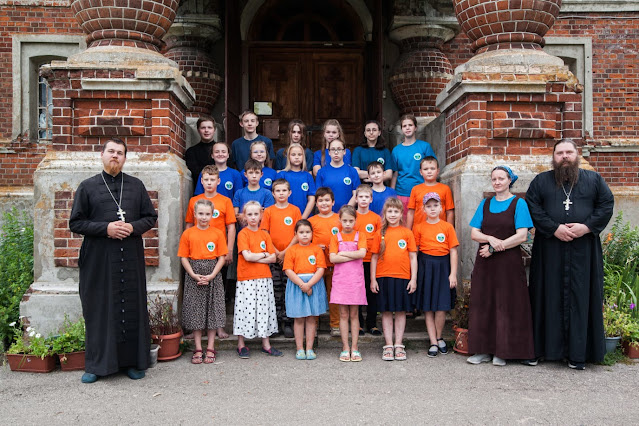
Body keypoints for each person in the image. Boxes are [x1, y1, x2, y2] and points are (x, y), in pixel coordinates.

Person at [69, 138, 157, 383]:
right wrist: (105, 229)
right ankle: (96, 366)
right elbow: (75, 223)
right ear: (102, 155)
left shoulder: (136, 186)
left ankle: (132, 362)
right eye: (111, 151)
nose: (115, 156)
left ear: (125, 158)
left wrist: (132, 227)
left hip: (130, 257)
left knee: (131, 307)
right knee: (99, 308)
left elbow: (150, 217)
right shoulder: (87, 186)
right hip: (99, 260)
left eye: (120, 152)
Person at [526, 139, 614, 370]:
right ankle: (543, 350)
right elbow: (532, 206)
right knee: (546, 295)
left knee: (582, 297)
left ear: (577, 154)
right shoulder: (541, 181)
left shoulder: (594, 180)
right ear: (553, 156)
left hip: (584, 250)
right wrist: (554, 228)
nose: (564, 156)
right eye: (560, 153)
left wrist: (587, 227)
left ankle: (579, 354)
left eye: (568, 152)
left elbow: (606, 204)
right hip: (549, 250)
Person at [467, 166, 535, 366]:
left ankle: (502, 352)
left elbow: (522, 236)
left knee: (506, 304)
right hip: (485, 263)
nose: (497, 182)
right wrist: (489, 239)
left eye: (501, 178)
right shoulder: (486, 203)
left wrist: (495, 247)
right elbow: (474, 233)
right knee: (483, 303)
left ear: (509, 180)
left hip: (508, 264)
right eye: (494, 179)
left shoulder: (519, 203)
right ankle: (483, 350)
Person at [185, 165, 237, 339]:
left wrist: (229, 250)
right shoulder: (194, 201)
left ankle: (219, 327)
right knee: (196, 293)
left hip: (218, 253)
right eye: (206, 179)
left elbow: (231, 227)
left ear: (218, 181)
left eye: (212, 179)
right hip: (197, 253)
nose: (209, 183)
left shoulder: (225, 201)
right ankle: (197, 328)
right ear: (201, 181)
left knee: (217, 293)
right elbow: (189, 224)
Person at [178, 199, 228, 364]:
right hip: (194, 275)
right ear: (195, 214)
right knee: (196, 312)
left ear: (212, 214)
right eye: (200, 213)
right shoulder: (188, 234)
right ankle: (198, 348)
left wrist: (213, 275)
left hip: (213, 275)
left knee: (212, 311)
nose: (204, 217)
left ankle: (211, 347)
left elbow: (221, 257)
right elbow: (184, 257)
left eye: (207, 214)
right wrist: (193, 274)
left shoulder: (217, 233)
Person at [370, 198, 417, 361]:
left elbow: (413, 257)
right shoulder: (379, 234)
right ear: (385, 213)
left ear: (401, 213)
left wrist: (413, 279)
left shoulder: (407, 233)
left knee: (401, 311)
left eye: (396, 211)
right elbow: (374, 258)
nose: (392, 214)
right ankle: (388, 345)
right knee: (386, 311)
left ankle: (399, 344)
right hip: (383, 277)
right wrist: (373, 279)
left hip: (403, 277)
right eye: (389, 211)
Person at [234, 201, 283, 358]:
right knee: (244, 309)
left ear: (261, 215)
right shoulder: (243, 234)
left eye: (256, 214)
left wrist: (257, 256)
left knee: (264, 310)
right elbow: (247, 256)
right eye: (249, 214)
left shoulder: (264, 234)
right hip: (246, 278)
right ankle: (241, 344)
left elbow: (273, 258)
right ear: (244, 216)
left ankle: (266, 344)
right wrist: (263, 254)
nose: (253, 217)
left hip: (263, 278)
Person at [413, 193, 459, 358]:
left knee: (441, 306)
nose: (432, 209)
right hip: (425, 266)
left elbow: (453, 251)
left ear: (441, 208)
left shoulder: (447, 227)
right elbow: (414, 253)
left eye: (435, 206)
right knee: (428, 306)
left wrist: (453, 274)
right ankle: (433, 341)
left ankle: (439, 337)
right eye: (429, 206)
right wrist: (415, 276)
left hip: (443, 266)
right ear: (424, 209)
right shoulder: (419, 227)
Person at [260, 178, 302, 338]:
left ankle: (288, 322)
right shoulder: (269, 211)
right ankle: (276, 322)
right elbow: (265, 233)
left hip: (290, 257)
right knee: (275, 290)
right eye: (278, 191)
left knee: (289, 290)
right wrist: (276, 252)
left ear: (290, 192)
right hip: (273, 257)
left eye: (284, 190)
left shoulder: (295, 210)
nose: (281, 193)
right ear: (273, 193)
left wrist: (285, 251)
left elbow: (298, 233)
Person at [283, 220, 328, 360]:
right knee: (299, 318)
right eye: (301, 232)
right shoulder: (292, 250)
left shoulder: (316, 250)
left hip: (313, 285)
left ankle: (309, 348)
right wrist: (302, 285)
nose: (304, 235)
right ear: (296, 234)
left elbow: (320, 269)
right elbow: (288, 270)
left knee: (311, 318)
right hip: (297, 285)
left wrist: (309, 285)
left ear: (312, 234)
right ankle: (299, 348)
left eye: (307, 232)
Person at [329, 205, 367, 362]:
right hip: (341, 280)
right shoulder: (335, 237)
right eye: (344, 221)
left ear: (355, 221)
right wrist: (353, 255)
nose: (347, 224)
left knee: (354, 314)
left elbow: (362, 253)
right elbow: (333, 258)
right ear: (340, 220)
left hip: (355, 280)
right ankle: (345, 347)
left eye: (351, 221)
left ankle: (355, 347)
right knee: (343, 314)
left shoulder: (360, 235)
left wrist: (343, 253)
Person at [308, 187, 342, 336]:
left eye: (327, 200)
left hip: (335, 264)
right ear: (316, 203)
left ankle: (335, 324)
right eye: (320, 200)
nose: (324, 203)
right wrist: (315, 247)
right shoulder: (311, 221)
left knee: (334, 295)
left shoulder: (339, 219)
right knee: (315, 294)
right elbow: (305, 242)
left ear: (333, 202)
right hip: (316, 265)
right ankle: (313, 324)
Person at [390, 114, 436, 218]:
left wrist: (432, 188)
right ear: (401, 129)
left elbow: (433, 168)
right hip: (402, 193)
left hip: (422, 191)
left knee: (422, 223)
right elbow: (395, 173)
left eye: (410, 125)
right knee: (404, 224)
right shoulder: (396, 150)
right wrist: (392, 194)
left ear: (415, 128)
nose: (407, 128)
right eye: (404, 126)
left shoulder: (424, 146)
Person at [353, 184, 382, 336]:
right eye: (361, 197)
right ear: (356, 198)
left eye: (366, 197)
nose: (363, 200)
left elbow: (380, 239)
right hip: (355, 260)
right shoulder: (352, 217)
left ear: (371, 199)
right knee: (357, 292)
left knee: (372, 292)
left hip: (372, 260)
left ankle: (372, 323)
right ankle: (358, 323)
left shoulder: (376, 218)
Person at [406, 156, 455, 229]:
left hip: (439, 230)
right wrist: (408, 232)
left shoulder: (445, 189)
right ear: (421, 172)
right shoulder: (415, 189)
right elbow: (411, 212)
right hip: (419, 231)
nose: (429, 171)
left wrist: (449, 231)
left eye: (432, 168)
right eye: (425, 169)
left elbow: (449, 212)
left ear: (438, 171)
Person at [315, 138, 361, 212]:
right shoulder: (321, 172)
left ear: (344, 151)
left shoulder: (352, 171)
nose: (336, 152)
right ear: (329, 152)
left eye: (339, 149)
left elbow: (356, 194)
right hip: (327, 213)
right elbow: (319, 195)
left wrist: (345, 211)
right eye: (333, 149)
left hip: (347, 215)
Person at [276, 144, 316, 218]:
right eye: (293, 155)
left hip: (304, 216)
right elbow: (277, 197)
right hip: (285, 216)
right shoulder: (282, 175)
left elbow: (312, 199)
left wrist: (303, 218)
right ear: (288, 157)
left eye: (299, 154)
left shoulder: (308, 176)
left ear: (303, 157)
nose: (297, 157)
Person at [185, 116, 217, 193]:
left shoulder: (222, 151)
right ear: (198, 130)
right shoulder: (191, 152)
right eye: (203, 128)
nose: (206, 130)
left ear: (214, 130)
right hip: (200, 191)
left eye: (209, 127)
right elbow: (196, 174)